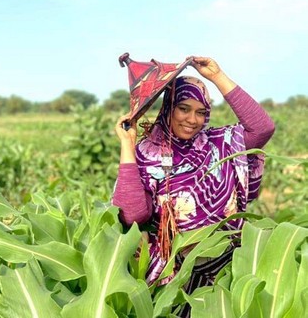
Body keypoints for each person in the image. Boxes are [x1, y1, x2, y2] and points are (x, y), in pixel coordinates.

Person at [113, 56, 275, 296]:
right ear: (169, 108)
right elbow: (133, 215)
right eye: (184, 109)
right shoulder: (147, 155)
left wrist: (217, 76)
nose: (192, 120)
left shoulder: (219, 144)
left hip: (229, 264)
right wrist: (128, 145)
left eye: (201, 112)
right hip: (178, 277)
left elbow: (262, 128)